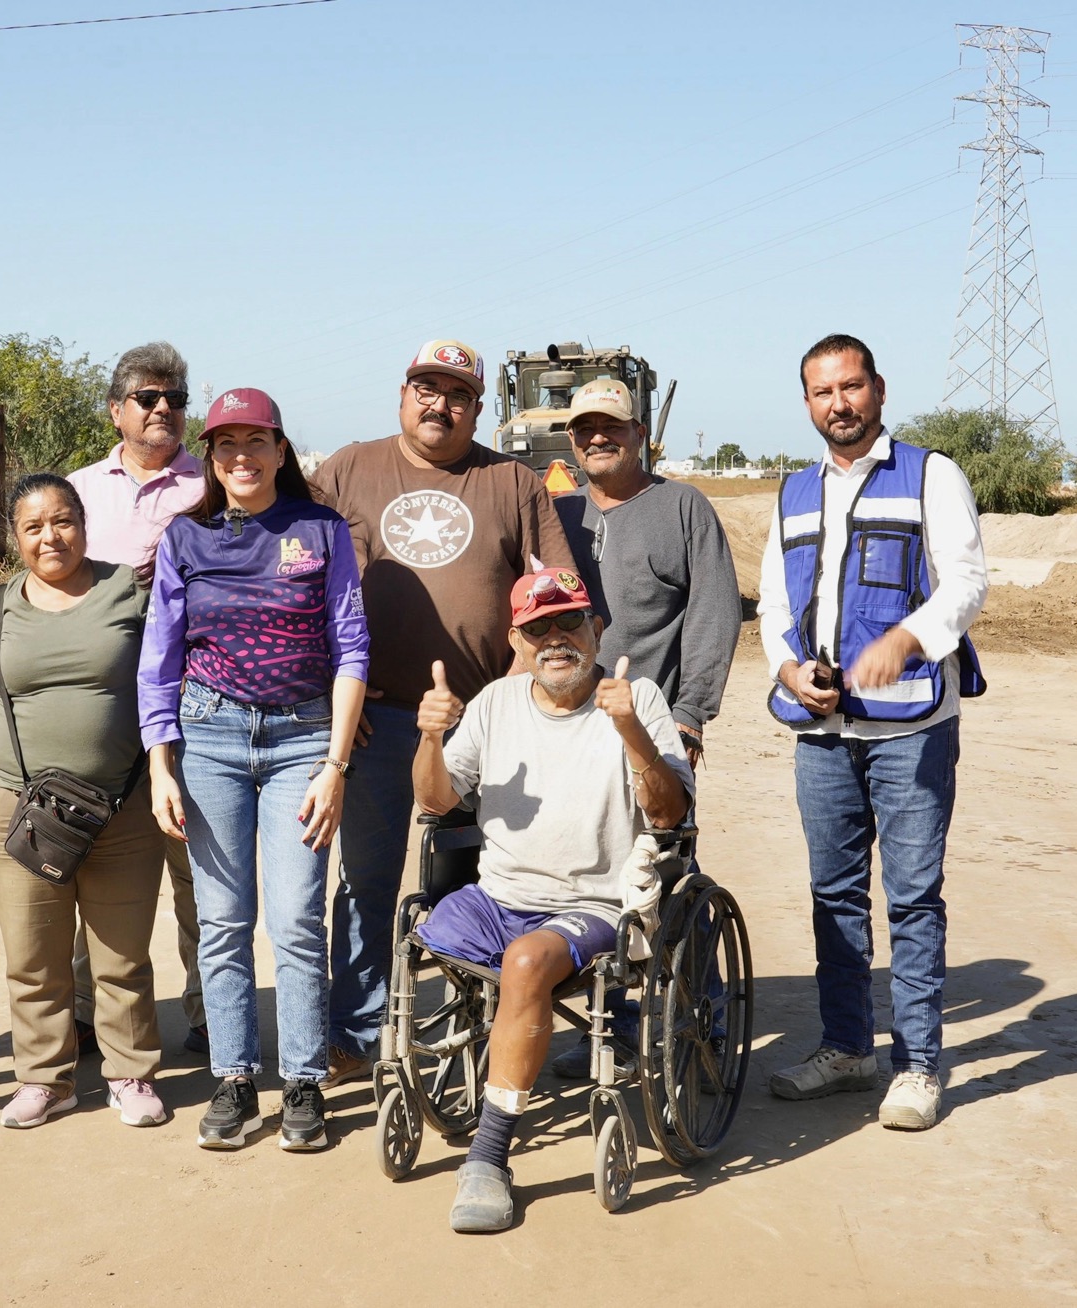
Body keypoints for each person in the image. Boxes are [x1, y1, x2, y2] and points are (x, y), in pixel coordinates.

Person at [312, 339, 574, 1088]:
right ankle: (353, 1038)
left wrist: (509, 698)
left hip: (484, 725)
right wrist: (338, 695)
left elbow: (554, 594)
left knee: (486, 884)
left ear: (478, 407)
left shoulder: (513, 482)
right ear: (402, 394)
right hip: (375, 720)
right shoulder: (347, 471)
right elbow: (300, 588)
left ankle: (485, 1035)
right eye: (427, 388)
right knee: (365, 885)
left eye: (457, 393)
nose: (440, 404)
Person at [411, 568, 692, 1234]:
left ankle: (488, 1156)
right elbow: (433, 801)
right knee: (419, 932)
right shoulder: (495, 704)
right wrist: (429, 737)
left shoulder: (637, 699)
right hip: (498, 894)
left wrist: (629, 732)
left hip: (595, 903)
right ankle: (502, 1047)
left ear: (596, 627)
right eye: (537, 628)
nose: (555, 639)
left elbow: (670, 812)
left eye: (569, 622)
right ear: (517, 638)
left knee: (528, 964)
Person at [758, 334, 989, 1133]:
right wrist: (791, 672)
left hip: (913, 727)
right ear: (808, 404)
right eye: (823, 393)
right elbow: (777, 610)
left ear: (879, 391)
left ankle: (918, 1065)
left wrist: (908, 640)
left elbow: (966, 582)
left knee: (914, 899)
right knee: (834, 894)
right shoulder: (792, 492)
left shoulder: (931, 474)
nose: (839, 405)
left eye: (851, 388)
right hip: (822, 730)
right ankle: (848, 1048)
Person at [139, 387, 369, 1152]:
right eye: (225, 443)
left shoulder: (322, 532)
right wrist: (161, 764)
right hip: (209, 740)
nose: (242, 456)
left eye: (256, 441)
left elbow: (351, 648)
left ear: (280, 450)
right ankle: (234, 1079)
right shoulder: (186, 538)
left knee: (299, 919)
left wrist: (335, 764)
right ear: (210, 455)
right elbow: (159, 658)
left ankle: (303, 1081)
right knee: (223, 919)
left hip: (304, 741)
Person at [0, 473, 167, 1130]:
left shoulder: (127, 591)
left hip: (122, 806)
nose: (51, 536)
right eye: (34, 526)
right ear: (16, 537)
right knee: (33, 951)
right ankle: (45, 1080)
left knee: (121, 953)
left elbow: (165, 681)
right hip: (21, 808)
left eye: (63, 520)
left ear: (83, 522)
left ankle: (129, 1073)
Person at [549, 376, 741, 1080]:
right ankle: (613, 1023)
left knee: (668, 876)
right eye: (584, 429)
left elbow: (714, 614)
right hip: (570, 731)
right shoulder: (559, 517)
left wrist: (690, 717)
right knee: (586, 879)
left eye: (613, 427)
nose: (598, 438)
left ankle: (702, 1015)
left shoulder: (683, 508)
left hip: (654, 728)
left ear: (639, 435)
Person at [67, 341, 209, 1053]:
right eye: (148, 398)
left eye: (175, 400)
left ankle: (212, 1012)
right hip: (97, 712)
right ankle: (89, 1016)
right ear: (117, 409)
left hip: (191, 713)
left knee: (196, 870)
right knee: (88, 865)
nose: (162, 411)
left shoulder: (210, 488)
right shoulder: (79, 490)